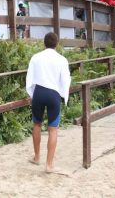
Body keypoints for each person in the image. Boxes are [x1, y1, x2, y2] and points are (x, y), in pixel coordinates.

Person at [25, 32, 71, 174]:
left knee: (37, 124)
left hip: (39, 91)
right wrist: (64, 96)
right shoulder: (62, 59)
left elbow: (29, 78)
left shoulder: (36, 57)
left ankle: (37, 157)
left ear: (44, 43)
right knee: (53, 129)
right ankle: (49, 165)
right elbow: (66, 79)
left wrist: (31, 94)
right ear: (56, 44)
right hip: (53, 94)